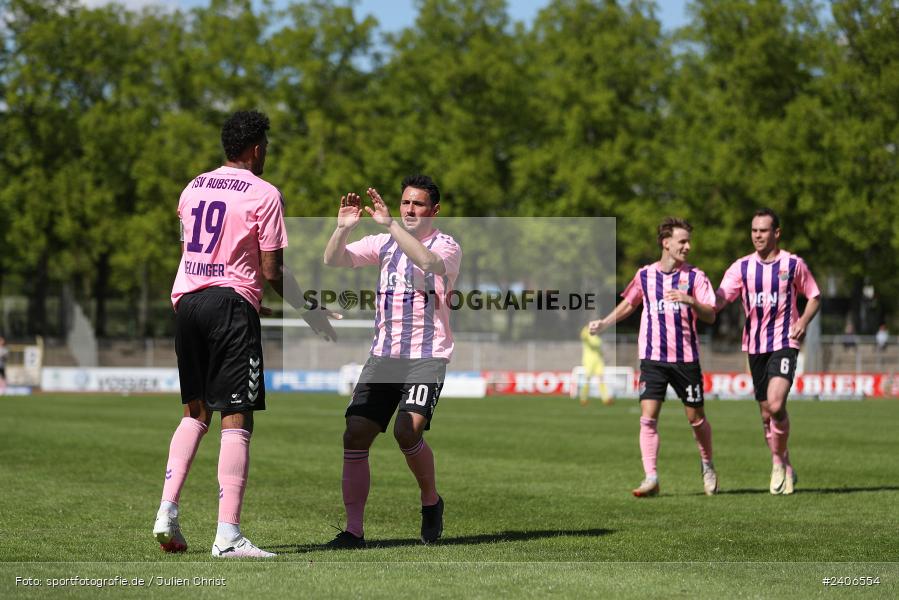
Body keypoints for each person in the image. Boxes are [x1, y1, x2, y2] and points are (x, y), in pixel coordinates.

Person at [153, 110, 337, 558]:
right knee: (237, 417)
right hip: (229, 310)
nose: (267, 154)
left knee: (194, 413)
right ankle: (228, 536)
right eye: (267, 147)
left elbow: (195, 258)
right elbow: (272, 270)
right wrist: (310, 310)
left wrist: (247, 297)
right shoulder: (265, 193)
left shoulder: (193, 186)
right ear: (256, 148)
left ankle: (167, 512)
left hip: (190, 304)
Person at [323, 176, 462, 547]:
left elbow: (428, 261)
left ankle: (431, 502)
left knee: (407, 430)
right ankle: (354, 531)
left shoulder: (446, 245)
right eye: (405, 203)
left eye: (418, 204)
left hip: (426, 358)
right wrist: (342, 230)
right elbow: (334, 259)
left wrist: (392, 226)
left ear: (435, 210)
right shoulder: (385, 242)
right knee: (355, 434)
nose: (410, 210)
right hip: (383, 357)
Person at [589, 217, 718, 497]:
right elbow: (629, 304)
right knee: (648, 417)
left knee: (696, 418)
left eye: (688, 241)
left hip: (686, 359)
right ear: (666, 243)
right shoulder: (645, 275)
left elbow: (711, 313)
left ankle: (707, 464)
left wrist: (691, 301)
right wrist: (604, 323)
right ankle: (651, 477)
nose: (687, 246)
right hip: (652, 358)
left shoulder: (695, 277)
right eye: (682, 241)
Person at [715, 208, 820, 495]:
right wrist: (695, 302)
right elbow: (719, 300)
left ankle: (777, 460)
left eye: (763, 230)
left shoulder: (793, 264)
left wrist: (803, 321)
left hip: (785, 342)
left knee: (775, 404)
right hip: (755, 346)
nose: (757, 235)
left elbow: (814, 296)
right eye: (754, 230)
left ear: (776, 233)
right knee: (765, 414)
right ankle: (783, 463)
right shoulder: (741, 267)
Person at [578, 324, 611, 406]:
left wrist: (603, 356)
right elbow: (583, 336)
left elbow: (599, 349)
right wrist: (587, 328)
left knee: (601, 379)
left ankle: (606, 398)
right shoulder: (587, 335)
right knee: (587, 380)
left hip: (598, 361)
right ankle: (583, 398)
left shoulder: (597, 338)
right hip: (589, 361)